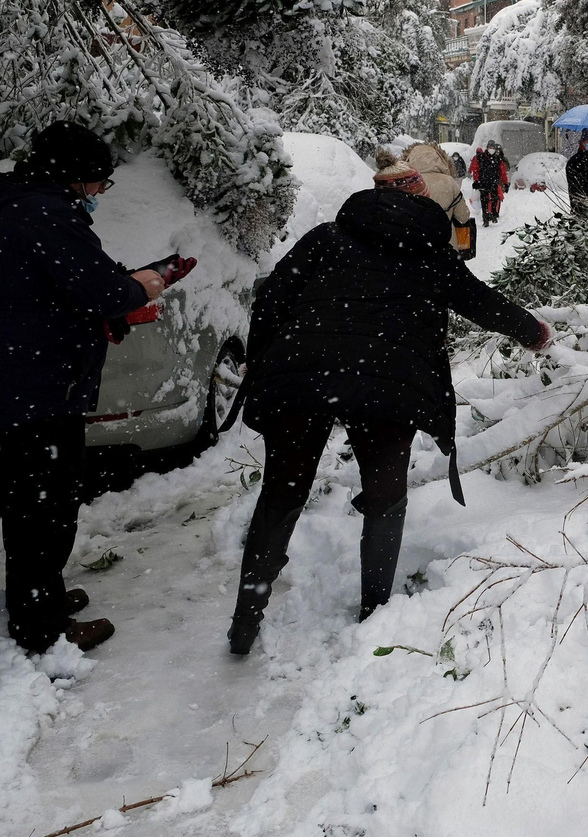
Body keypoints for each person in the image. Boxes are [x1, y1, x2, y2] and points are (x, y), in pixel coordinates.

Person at [227, 160, 553, 654]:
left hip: (302, 370)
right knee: (384, 498)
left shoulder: (326, 237)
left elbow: (270, 297)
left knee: (281, 495)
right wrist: (535, 332)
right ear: (420, 201)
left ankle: (244, 623)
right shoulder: (429, 248)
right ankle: (374, 614)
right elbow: (478, 301)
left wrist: (259, 358)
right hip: (388, 383)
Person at [0, 121, 168, 654]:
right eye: (99, 181)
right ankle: (40, 627)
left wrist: (105, 303)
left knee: (36, 500)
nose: (101, 191)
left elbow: (54, 291)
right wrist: (140, 286)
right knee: (45, 507)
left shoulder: (13, 207)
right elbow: (97, 288)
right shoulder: (47, 213)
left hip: (19, 377)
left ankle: (39, 599)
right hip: (36, 384)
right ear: (73, 176)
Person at [397, 142, 476, 259]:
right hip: (446, 247)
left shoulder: (404, 182)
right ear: (440, 159)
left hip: (414, 249)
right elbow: (463, 216)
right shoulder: (449, 182)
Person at [470, 141, 510, 224]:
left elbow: (502, 172)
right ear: (487, 148)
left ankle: (493, 214)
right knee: (484, 200)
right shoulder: (481, 157)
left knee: (495, 199)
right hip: (483, 182)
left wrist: (505, 183)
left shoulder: (498, 159)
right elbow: (476, 170)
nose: (491, 149)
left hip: (494, 182)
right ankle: (485, 218)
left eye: (492, 148)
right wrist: (476, 181)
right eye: (490, 148)